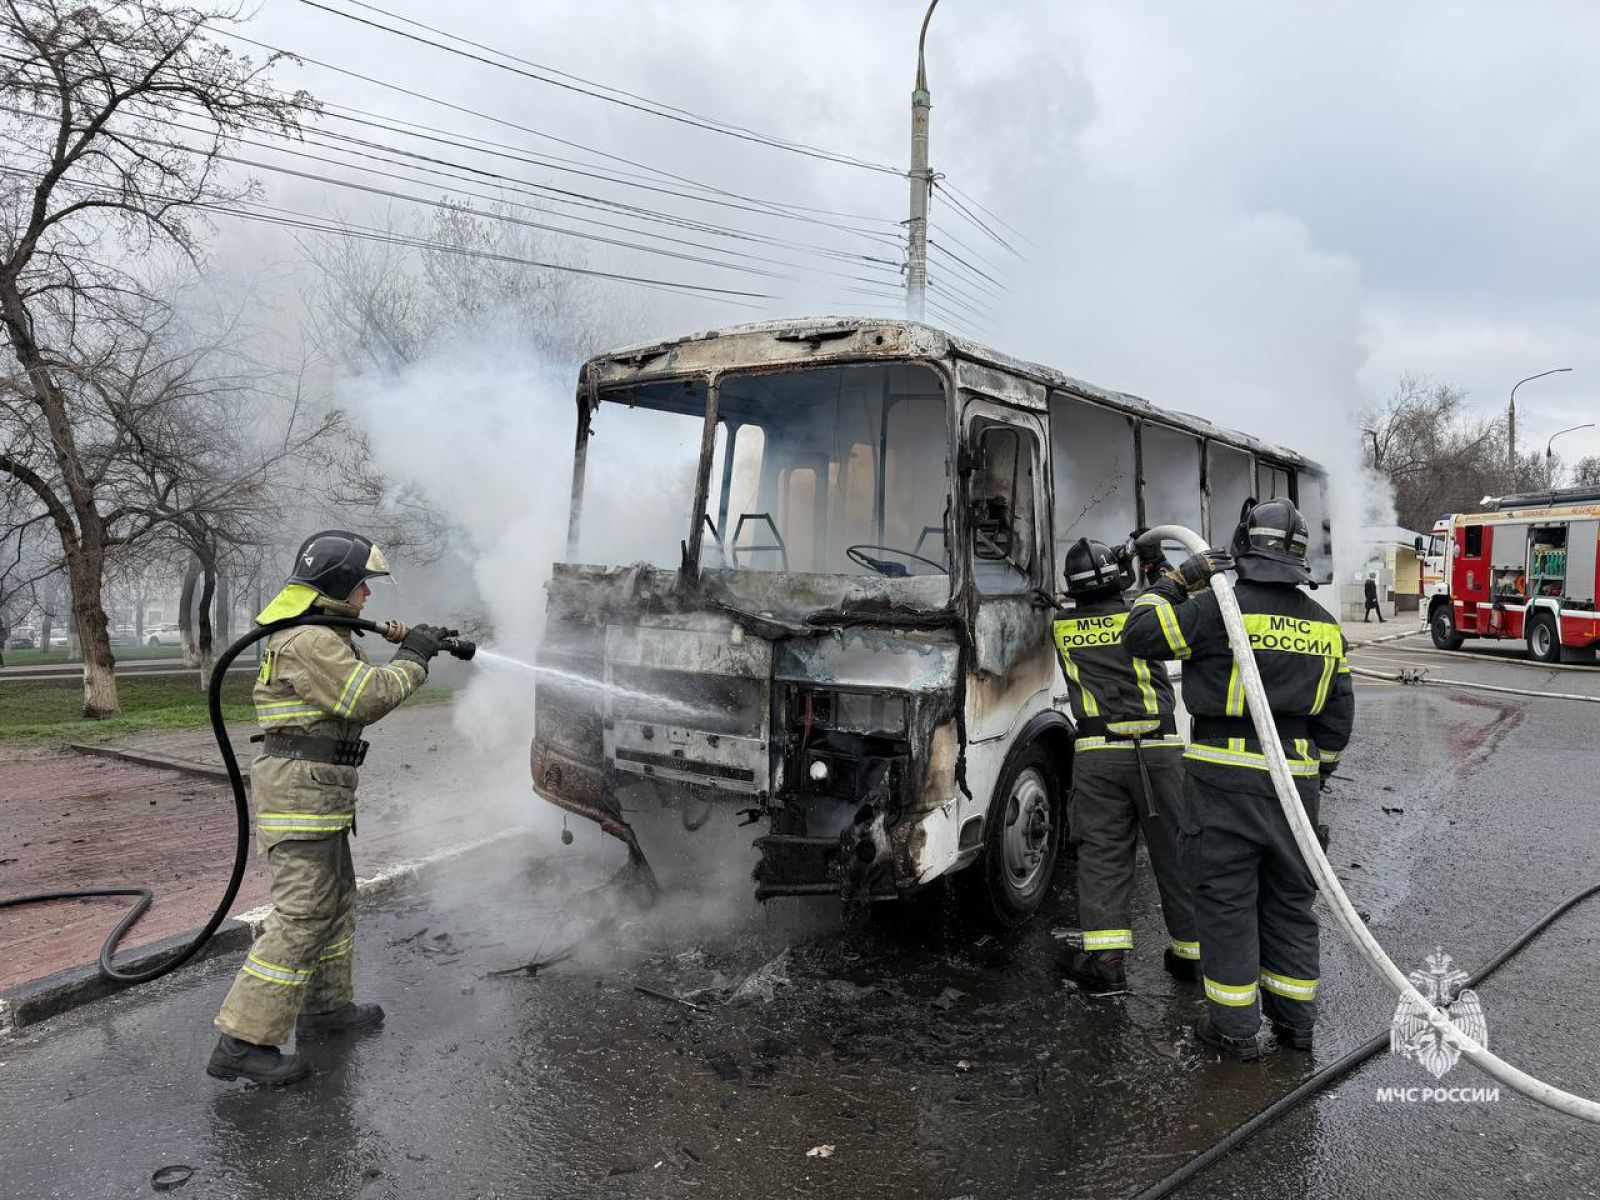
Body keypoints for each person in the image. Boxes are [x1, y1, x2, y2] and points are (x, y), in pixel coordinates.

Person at [208, 530, 452, 1086]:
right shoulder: (309, 641)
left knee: (335, 901)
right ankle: (242, 1041)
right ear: (338, 585)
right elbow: (366, 697)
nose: (368, 595)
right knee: (302, 913)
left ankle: (325, 1008)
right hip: (301, 795)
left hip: (318, 792)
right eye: (362, 584)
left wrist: (411, 647)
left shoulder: (322, 635)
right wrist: (414, 657)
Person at [1123, 498, 1354, 1060]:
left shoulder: (1216, 608)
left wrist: (1179, 579)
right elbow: (1338, 717)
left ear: (1245, 546)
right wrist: (1313, 773)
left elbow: (1140, 634)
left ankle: (1233, 1031)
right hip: (1295, 787)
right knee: (1289, 902)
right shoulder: (1325, 627)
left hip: (1222, 779)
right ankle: (1296, 1023)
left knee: (1225, 902)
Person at [1052, 537, 1199, 996]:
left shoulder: (1062, 625)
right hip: (1160, 750)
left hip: (1098, 753)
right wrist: (1163, 568)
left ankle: (1107, 964)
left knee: (1103, 856)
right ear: (1120, 578)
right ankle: (1193, 956)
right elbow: (1165, 610)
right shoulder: (1142, 614)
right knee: (1177, 853)